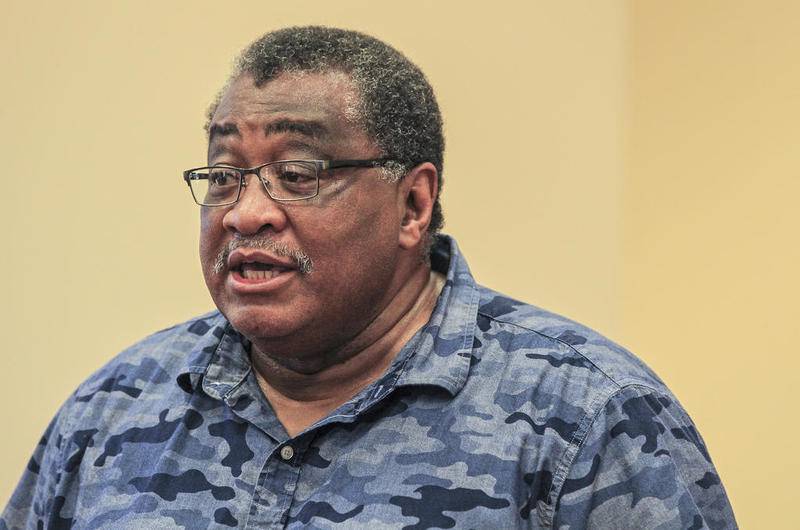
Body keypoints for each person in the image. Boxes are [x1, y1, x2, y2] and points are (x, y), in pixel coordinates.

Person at [2, 26, 737, 529]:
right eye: (224, 177)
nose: (245, 213)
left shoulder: (589, 419)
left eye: (298, 174)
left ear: (413, 205)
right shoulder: (113, 412)